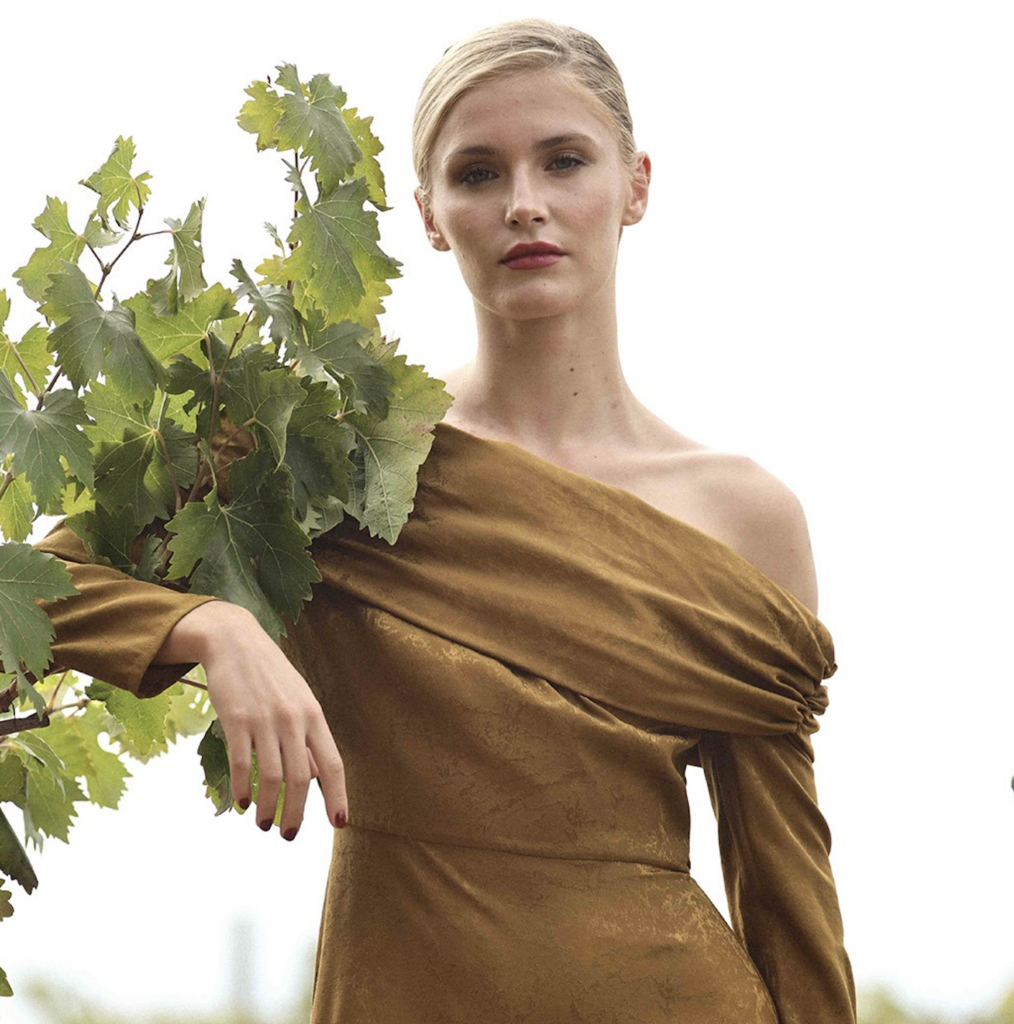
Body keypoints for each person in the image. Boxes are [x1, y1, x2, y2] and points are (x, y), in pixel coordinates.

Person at [36, 19, 856, 1024]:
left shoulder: (746, 515)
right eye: (478, 173)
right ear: (428, 213)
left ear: (635, 183)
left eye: (564, 161)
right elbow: (33, 588)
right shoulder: (325, 441)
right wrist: (213, 627)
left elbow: (787, 890)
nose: (524, 204)